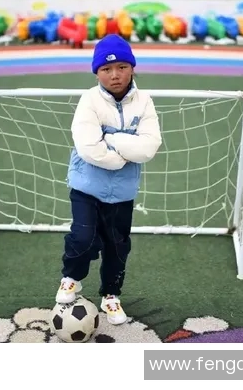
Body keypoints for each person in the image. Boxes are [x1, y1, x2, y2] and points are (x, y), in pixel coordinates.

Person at [55, 34, 162, 325]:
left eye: (122, 67)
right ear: (97, 73)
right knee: (83, 237)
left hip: (122, 191)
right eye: (106, 69)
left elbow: (149, 146)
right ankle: (72, 277)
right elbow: (89, 147)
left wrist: (112, 138)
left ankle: (111, 295)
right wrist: (124, 152)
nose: (115, 75)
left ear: (132, 68)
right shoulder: (89, 100)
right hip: (87, 186)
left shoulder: (144, 101)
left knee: (117, 245)